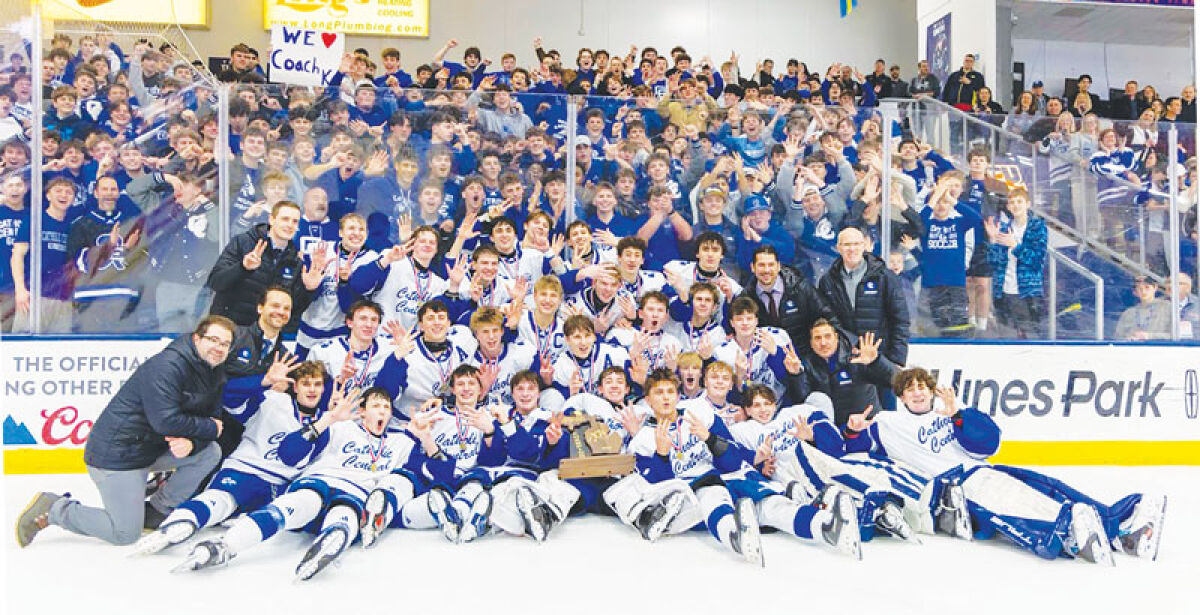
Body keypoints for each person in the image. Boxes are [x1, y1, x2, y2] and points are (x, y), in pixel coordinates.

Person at [844, 367, 1166, 564]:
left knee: (1048, 487)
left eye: (922, 386)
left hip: (985, 471)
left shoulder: (953, 410)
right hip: (958, 487)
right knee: (1021, 504)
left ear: (932, 391)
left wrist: (957, 415)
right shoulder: (889, 423)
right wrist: (854, 431)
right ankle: (1067, 534)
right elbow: (861, 452)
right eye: (909, 388)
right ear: (900, 396)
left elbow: (989, 443)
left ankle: (1116, 526)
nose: (916, 392)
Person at [16, 315, 235, 547]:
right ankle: (56, 508)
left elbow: (213, 418)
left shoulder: (213, 371)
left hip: (149, 450)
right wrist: (207, 428)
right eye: (213, 340)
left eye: (225, 344)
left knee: (209, 452)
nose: (219, 348)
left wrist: (194, 443)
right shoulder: (167, 366)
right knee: (124, 533)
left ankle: (157, 510)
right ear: (196, 338)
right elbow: (166, 421)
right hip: (118, 456)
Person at [206, 200, 324, 327]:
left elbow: (293, 310)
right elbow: (215, 282)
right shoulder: (244, 242)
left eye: (295, 221)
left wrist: (309, 290)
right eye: (285, 219)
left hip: (263, 333)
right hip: (229, 328)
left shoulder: (295, 260)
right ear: (271, 220)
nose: (290, 225)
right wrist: (243, 268)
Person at [734, 244, 838, 354]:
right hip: (768, 358)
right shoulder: (747, 297)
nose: (767, 270)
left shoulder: (800, 287)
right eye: (761, 265)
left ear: (778, 266)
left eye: (771, 265)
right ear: (752, 267)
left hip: (805, 355)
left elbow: (828, 316)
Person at [985, 188, 1047, 338]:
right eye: (1012, 202)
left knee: (1030, 338)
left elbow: (1036, 261)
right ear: (1007, 207)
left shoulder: (1037, 227)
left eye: (1019, 201)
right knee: (1006, 337)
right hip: (1004, 293)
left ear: (1028, 204)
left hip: (1027, 293)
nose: (1015, 205)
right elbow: (994, 263)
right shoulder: (1005, 228)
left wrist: (1015, 246)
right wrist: (993, 240)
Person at [1114, 276, 1172, 341]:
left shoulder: (1167, 307)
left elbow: (1175, 335)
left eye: (1147, 287)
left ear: (1155, 287)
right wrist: (1128, 339)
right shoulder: (1128, 313)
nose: (1144, 292)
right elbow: (1118, 337)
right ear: (1135, 292)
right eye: (1140, 288)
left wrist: (1150, 336)